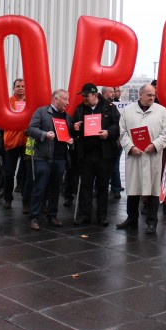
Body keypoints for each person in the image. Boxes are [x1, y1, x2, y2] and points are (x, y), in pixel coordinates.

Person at [116, 84, 166, 234]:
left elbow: (165, 133)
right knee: (133, 188)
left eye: (153, 95)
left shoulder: (162, 111)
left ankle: (152, 222)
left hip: (152, 156)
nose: (152, 98)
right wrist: (130, 147)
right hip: (135, 155)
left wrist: (155, 145)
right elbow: (122, 132)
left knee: (153, 190)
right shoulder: (128, 111)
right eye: (149, 95)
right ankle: (131, 218)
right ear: (140, 94)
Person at [71, 83, 120, 226]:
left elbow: (118, 125)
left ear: (95, 95)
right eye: (83, 96)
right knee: (86, 185)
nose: (84, 98)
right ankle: (85, 214)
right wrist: (75, 128)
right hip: (86, 153)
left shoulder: (109, 108)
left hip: (104, 154)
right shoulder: (80, 109)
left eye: (87, 95)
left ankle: (102, 215)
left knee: (102, 186)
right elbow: (73, 127)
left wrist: (108, 132)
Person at [26, 89, 74, 230]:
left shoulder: (67, 117)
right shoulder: (41, 112)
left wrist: (71, 139)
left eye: (68, 99)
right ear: (56, 99)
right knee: (39, 188)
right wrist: (44, 134)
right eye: (65, 99)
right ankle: (34, 217)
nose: (67, 102)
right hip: (43, 157)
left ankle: (52, 216)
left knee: (55, 189)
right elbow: (31, 129)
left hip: (60, 158)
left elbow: (69, 134)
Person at [3, 78, 28, 210]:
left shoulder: (30, 102)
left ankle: (25, 200)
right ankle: (7, 198)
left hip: (27, 142)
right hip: (11, 142)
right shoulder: (8, 102)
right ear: (13, 88)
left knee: (26, 172)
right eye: (18, 86)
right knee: (9, 173)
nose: (20, 88)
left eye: (23, 86)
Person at [109, 86, 124, 199]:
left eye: (119, 91)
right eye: (116, 90)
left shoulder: (120, 105)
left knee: (115, 165)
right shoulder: (111, 106)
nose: (119, 92)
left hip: (117, 140)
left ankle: (116, 187)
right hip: (111, 138)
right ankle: (116, 187)